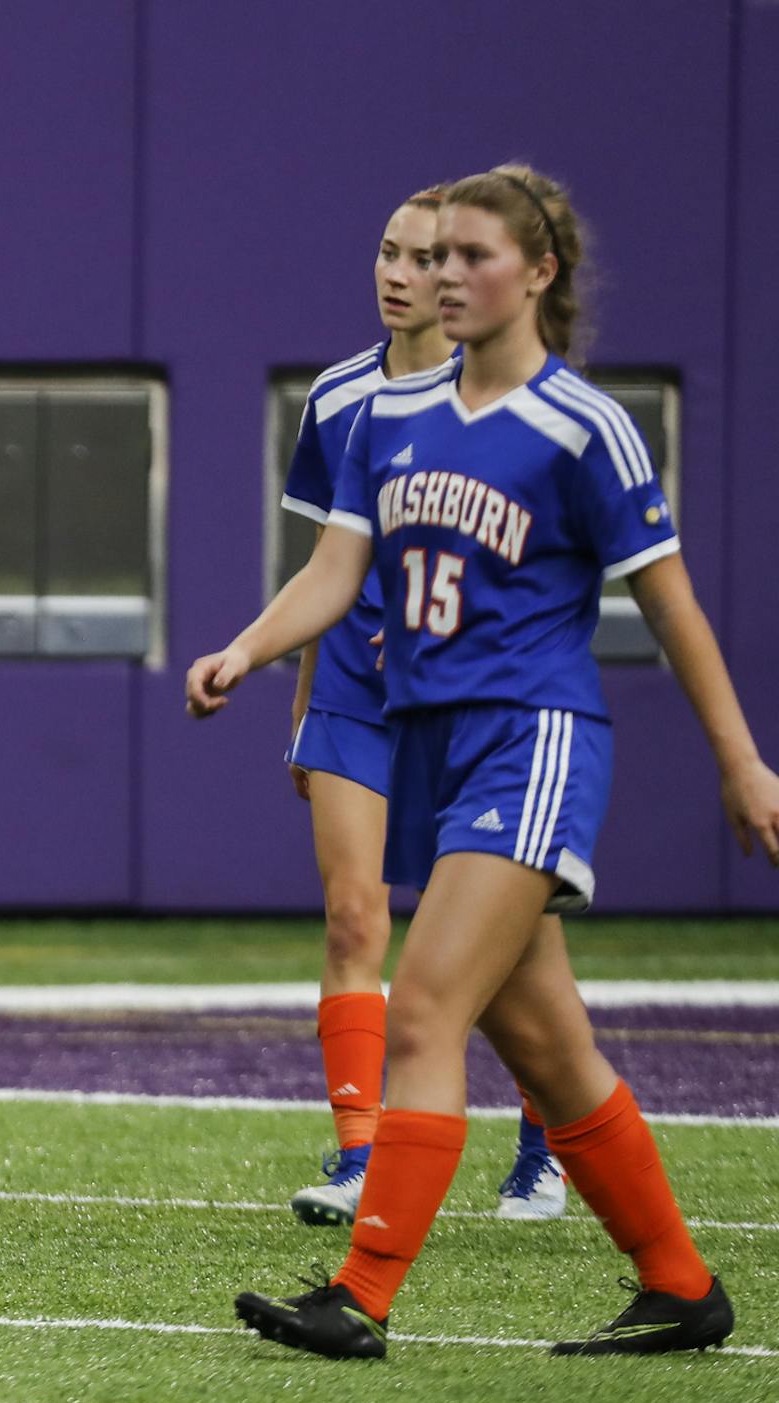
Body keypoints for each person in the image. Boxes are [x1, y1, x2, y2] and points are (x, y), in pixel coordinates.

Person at [189, 165, 778, 1357]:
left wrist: (744, 765)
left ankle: (357, 1296)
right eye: (434, 255)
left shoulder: (584, 428)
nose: (445, 276)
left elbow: (671, 610)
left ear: (541, 272)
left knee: (425, 1008)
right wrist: (248, 649)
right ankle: (679, 1285)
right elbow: (333, 576)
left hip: (534, 741)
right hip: (428, 747)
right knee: (549, 1048)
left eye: (472, 256)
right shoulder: (386, 418)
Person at [280, 187, 565, 1226]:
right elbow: (326, 565)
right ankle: (361, 1154)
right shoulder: (338, 396)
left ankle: (545, 1146)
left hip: (468, 700)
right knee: (356, 915)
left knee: (502, 947)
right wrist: (303, 709)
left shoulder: (498, 394)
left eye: (426, 257)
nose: (401, 274)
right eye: (388, 252)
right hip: (354, 693)